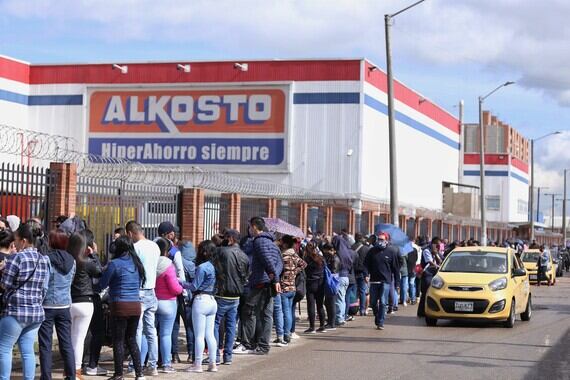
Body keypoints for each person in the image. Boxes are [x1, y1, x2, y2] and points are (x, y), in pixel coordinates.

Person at [0, 223, 50, 380]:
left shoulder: (17, 258)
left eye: (15, 239)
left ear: (23, 240)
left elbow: (5, 285)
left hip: (16, 311)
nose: (13, 243)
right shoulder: (43, 260)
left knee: (4, 348)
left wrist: (3, 270)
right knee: (28, 351)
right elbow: (44, 288)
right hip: (35, 313)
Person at [98, 236, 147, 380]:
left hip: (120, 305)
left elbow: (103, 283)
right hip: (135, 306)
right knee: (131, 339)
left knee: (118, 340)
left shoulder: (115, 264)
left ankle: (119, 374)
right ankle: (140, 373)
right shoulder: (137, 264)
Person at [240, 217, 283, 355]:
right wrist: (275, 276)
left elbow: (267, 260)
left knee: (249, 311)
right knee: (265, 314)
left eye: (249, 227)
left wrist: (274, 278)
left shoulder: (259, 241)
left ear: (254, 227)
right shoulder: (272, 242)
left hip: (260, 282)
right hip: (267, 282)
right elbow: (279, 261)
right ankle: (261, 345)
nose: (249, 230)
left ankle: (250, 344)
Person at [39, 230, 76, 380]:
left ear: (52, 242)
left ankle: (46, 377)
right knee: (66, 342)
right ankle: (71, 376)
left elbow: (44, 284)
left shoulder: (46, 259)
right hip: (64, 305)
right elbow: (71, 281)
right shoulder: (72, 260)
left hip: (47, 305)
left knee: (45, 344)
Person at [126, 221, 160, 375]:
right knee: (151, 330)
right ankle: (153, 366)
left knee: (137, 331)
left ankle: (135, 366)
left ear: (130, 233)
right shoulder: (155, 246)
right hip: (151, 291)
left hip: (138, 291)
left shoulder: (135, 247)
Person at [68, 231, 102, 379]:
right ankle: (76, 372)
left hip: (69, 302)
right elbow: (99, 272)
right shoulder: (87, 262)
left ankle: (68, 370)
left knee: (68, 338)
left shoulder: (68, 261)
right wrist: (93, 254)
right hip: (86, 303)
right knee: (79, 339)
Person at [213, 229, 249, 365]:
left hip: (222, 293)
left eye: (226, 237)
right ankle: (227, 356)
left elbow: (214, 266)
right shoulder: (244, 256)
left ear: (231, 239)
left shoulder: (221, 251)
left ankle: (215, 355)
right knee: (230, 326)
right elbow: (246, 275)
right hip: (236, 295)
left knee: (215, 325)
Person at [184, 240, 218, 373]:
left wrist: (181, 283)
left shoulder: (202, 267)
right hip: (212, 300)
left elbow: (194, 286)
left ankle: (197, 364)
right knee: (210, 334)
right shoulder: (213, 266)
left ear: (204, 252)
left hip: (201, 300)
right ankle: (213, 363)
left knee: (199, 335)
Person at [156, 221, 185, 364]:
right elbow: (180, 272)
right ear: (170, 234)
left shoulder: (152, 248)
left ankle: (155, 359)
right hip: (171, 295)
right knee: (171, 328)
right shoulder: (174, 251)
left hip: (154, 296)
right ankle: (172, 355)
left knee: (153, 330)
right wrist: (183, 291)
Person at [364, 233, 400, 330]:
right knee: (373, 302)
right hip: (374, 281)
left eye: (382, 239)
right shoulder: (372, 251)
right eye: (379, 239)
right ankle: (377, 316)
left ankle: (380, 322)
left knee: (383, 302)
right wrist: (366, 274)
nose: (380, 241)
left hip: (386, 281)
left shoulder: (391, 252)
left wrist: (397, 283)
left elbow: (396, 269)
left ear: (386, 240)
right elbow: (366, 264)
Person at [277, 235, 306, 344]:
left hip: (284, 287)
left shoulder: (283, 256)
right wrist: (295, 272)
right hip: (292, 287)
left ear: (285, 244)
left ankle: (285, 334)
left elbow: (278, 270)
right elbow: (304, 264)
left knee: (285, 312)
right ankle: (288, 333)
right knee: (289, 311)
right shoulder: (294, 255)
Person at [417, 237, 441, 317]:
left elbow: (440, 261)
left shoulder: (436, 251)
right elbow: (430, 262)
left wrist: (436, 254)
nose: (438, 246)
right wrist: (439, 267)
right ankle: (421, 312)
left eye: (439, 245)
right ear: (433, 243)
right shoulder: (426, 250)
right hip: (427, 274)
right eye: (436, 244)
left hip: (434, 274)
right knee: (425, 292)